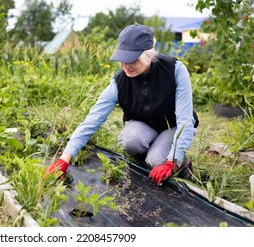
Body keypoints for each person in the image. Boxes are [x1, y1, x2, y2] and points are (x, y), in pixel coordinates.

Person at [46, 24, 198, 186]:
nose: (125, 65)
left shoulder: (174, 70)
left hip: (173, 127)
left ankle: (181, 164)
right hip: (145, 127)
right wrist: (65, 158)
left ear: (148, 54)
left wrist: (172, 161)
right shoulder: (120, 82)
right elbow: (92, 120)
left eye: (131, 59)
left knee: (156, 160)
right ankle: (154, 155)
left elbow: (185, 120)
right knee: (130, 140)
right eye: (122, 59)